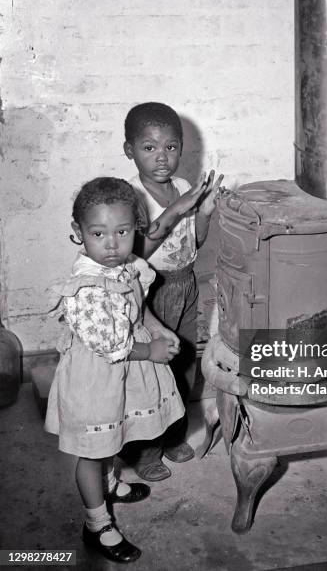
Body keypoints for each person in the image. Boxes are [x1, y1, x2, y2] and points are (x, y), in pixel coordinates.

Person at [45, 177, 192, 563]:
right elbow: (113, 347)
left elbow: (139, 304)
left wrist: (158, 328)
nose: (112, 244)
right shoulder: (86, 288)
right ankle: (97, 524)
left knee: (114, 432)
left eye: (123, 232)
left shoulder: (127, 265)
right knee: (92, 453)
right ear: (79, 232)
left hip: (124, 371)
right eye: (99, 233)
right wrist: (152, 350)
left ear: (135, 229)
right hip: (97, 376)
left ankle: (110, 483)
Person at [123, 102, 223, 482]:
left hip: (186, 281)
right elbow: (139, 254)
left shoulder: (182, 187)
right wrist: (181, 208)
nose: (162, 157)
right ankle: (146, 450)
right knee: (153, 369)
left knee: (184, 364)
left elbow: (194, 241)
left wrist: (204, 212)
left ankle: (172, 435)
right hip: (152, 290)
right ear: (129, 150)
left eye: (171, 147)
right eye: (149, 148)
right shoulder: (131, 198)